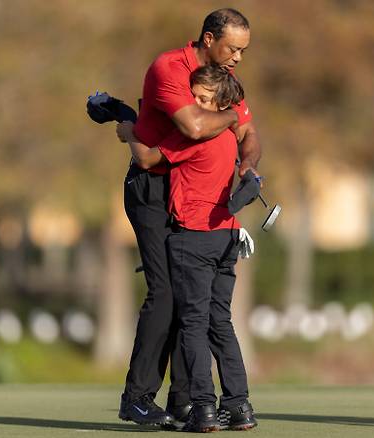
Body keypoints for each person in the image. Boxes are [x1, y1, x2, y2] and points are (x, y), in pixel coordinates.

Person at [117, 8, 261, 428]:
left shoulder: (221, 81)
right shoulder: (170, 68)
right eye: (233, 48)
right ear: (209, 38)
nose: (237, 57)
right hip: (152, 187)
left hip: (192, 191)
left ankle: (185, 400)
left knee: (190, 299)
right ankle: (138, 397)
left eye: (242, 50)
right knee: (164, 293)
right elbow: (196, 127)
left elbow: (250, 136)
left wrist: (245, 167)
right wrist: (232, 117)